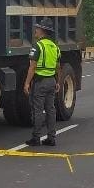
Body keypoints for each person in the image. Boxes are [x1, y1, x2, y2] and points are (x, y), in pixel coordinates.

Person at [23, 18, 60, 146]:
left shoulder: (38, 46)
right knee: (51, 110)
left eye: (37, 29)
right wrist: (58, 82)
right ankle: (51, 138)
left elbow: (32, 67)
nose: (35, 30)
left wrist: (27, 83)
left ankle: (36, 138)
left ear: (42, 31)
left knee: (37, 111)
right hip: (51, 81)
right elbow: (58, 67)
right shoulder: (55, 47)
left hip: (40, 82)